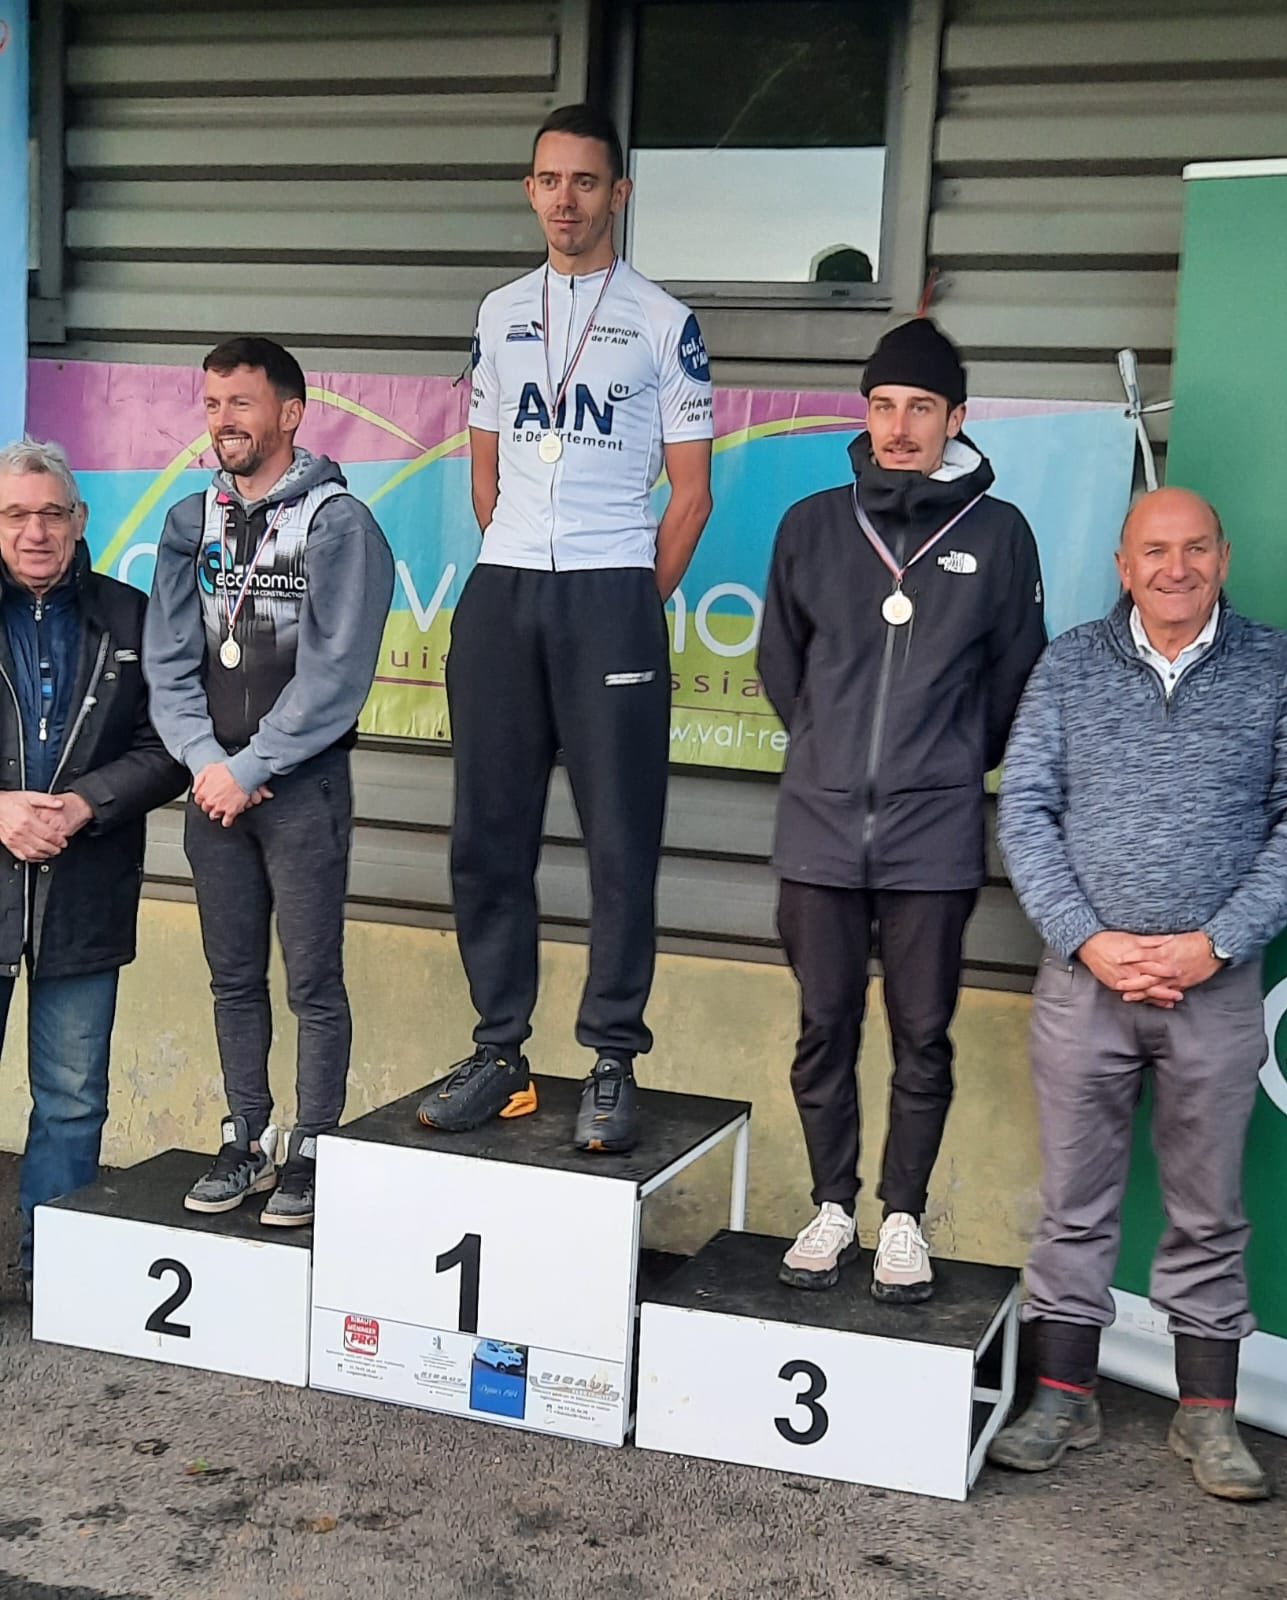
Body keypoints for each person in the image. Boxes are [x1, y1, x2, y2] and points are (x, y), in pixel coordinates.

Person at [992, 487, 1287, 1500]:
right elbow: (1027, 812)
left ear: (1223, 558)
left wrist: (1213, 944)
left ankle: (1207, 1417)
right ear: (1121, 562)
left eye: (1193, 549)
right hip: (1081, 983)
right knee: (1072, 1205)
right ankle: (1063, 1393)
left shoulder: (1280, 668)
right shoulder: (1067, 664)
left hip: (1215, 989)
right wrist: (1089, 940)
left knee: (1207, 1209)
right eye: (1154, 550)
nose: (1174, 567)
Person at [417, 103, 713, 1153]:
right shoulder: (498, 311)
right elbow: (484, 458)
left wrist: (633, 597)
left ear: (618, 194)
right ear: (530, 188)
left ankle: (612, 1059)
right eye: (549, 180)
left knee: (620, 842)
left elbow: (689, 496)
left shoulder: (665, 320)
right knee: (485, 837)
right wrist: (517, 557)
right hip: (505, 594)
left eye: (586, 182)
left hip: (609, 593)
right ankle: (501, 1049)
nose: (565, 200)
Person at [756, 319, 1045, 1301]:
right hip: (819, 830)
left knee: (923, 1033)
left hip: (934, 836)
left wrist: (949, 764)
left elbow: (1014, 680)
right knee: (822, 1026)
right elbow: (779, 665)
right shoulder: (810, 525)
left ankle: (903, 1217)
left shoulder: (998, 535)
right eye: (883, 406)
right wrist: (834, 761)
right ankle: (833, 1203)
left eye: (920, 407)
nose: (898, 426)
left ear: (955, 419)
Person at [144, 337, 394, 1226]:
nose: (224, 424)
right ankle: (244, 1135)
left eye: (241, 405)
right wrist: (207, 764)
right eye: (212, 406)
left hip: (301, 791)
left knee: (312, 981)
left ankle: (311, 1145)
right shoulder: (190, 522)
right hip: (213, 792)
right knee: (231, 977)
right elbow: (169, 663)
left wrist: (251, 766)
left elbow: (336, 675)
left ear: (290, 413)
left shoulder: (337, 523)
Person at [0, 440, 186, 1295]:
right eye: (14, 514)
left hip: (85, 891)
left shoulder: (134, 618)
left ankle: (57, 1278)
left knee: (73, 1095)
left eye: (50, 513)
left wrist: (83, 805)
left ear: (80, 522)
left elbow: (173, 749)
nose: (33, 531)